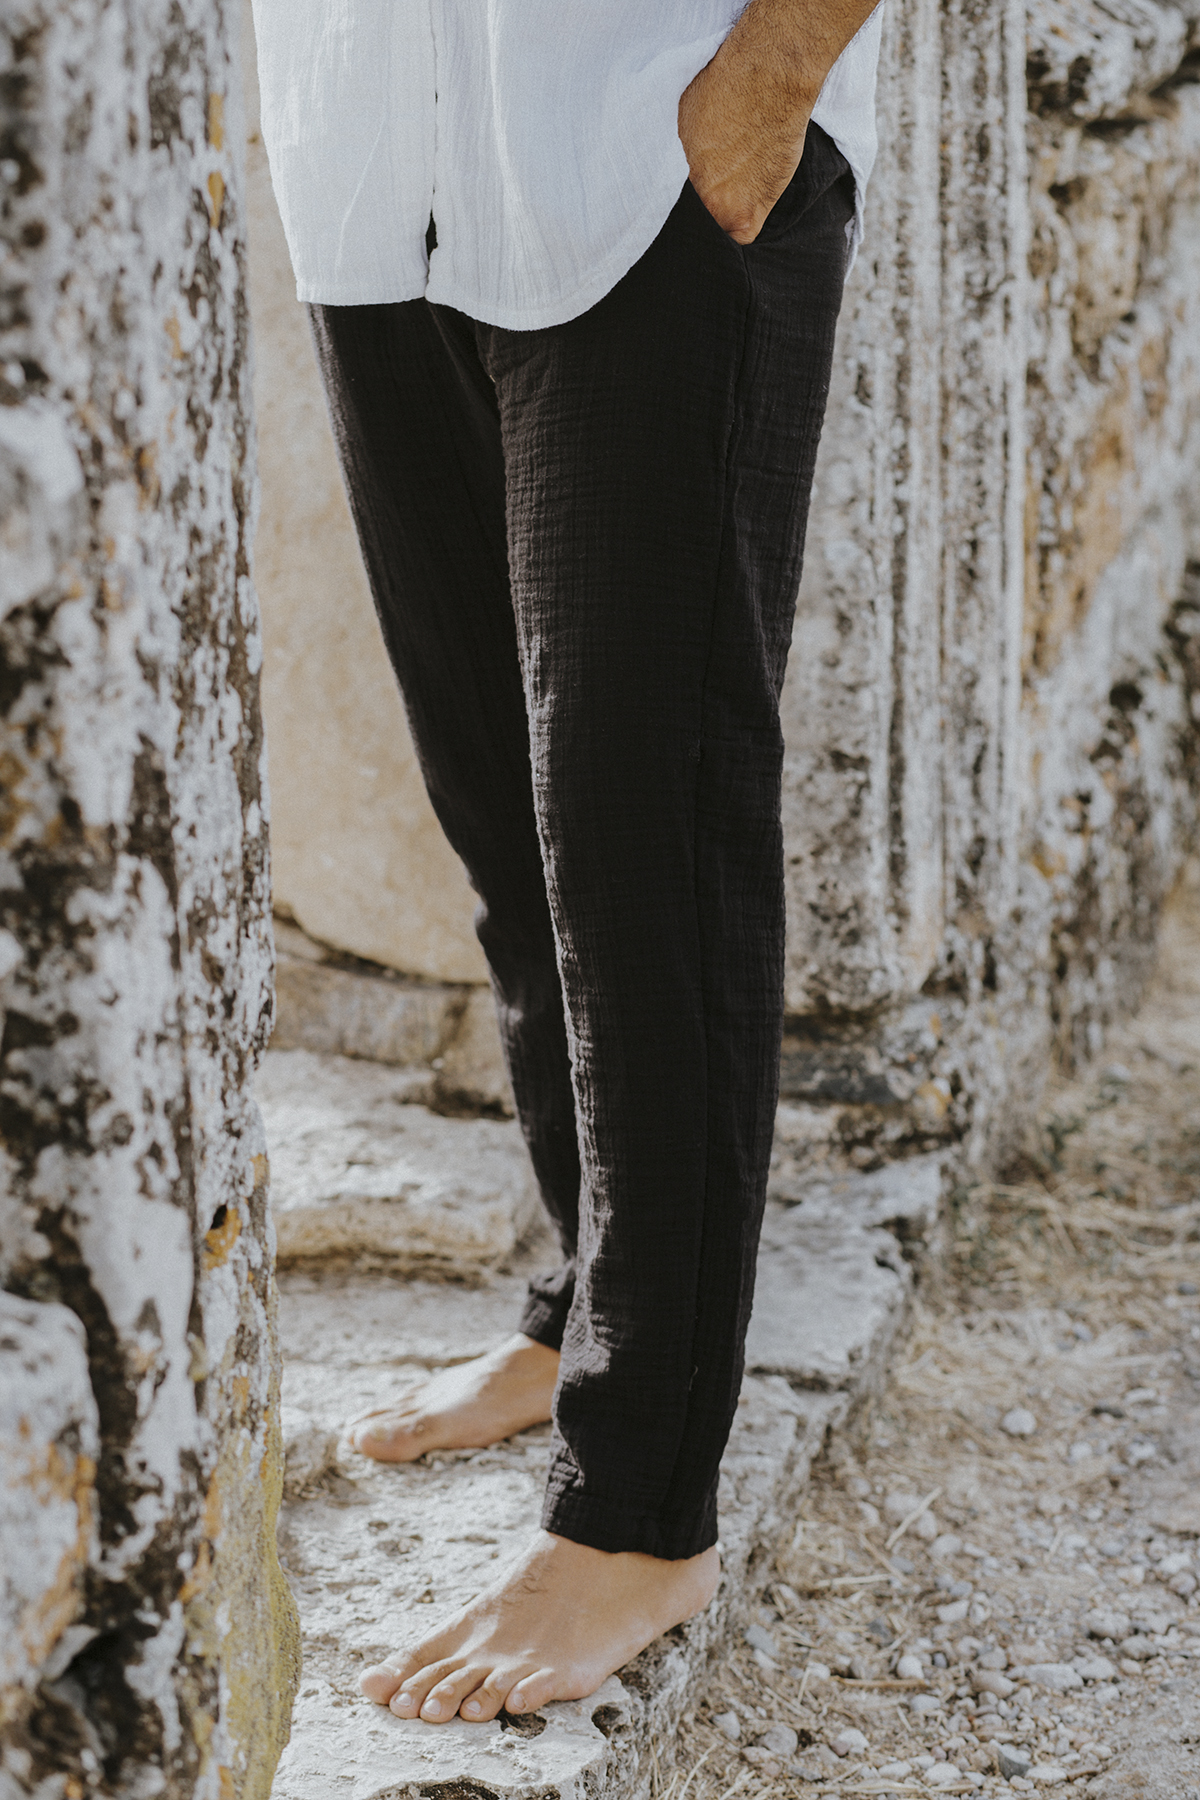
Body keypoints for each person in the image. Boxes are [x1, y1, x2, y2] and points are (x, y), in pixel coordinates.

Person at [252, 0, 882, 1728]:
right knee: (505, 813)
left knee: (643, 833)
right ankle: (587, 1303)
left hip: (645, 153)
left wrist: (774, 72)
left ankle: (639, 1511)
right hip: (367, 166)